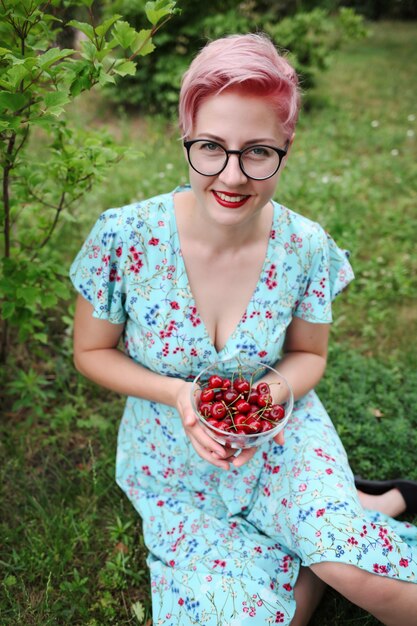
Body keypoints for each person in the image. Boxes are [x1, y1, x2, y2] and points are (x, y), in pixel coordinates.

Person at [70, 33, 417, 626]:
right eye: (211, 147)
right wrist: (179, 393)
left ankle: (336, 525)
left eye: (257, 151)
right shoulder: (124, 237)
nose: (231, 177)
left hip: (282, 435)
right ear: (186, 142)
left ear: (287, 145)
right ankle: (360, 513)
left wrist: (270, 395)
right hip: (173, 460)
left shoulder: (306, 246)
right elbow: (91, 350)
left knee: (366, 575)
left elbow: (309, 356)